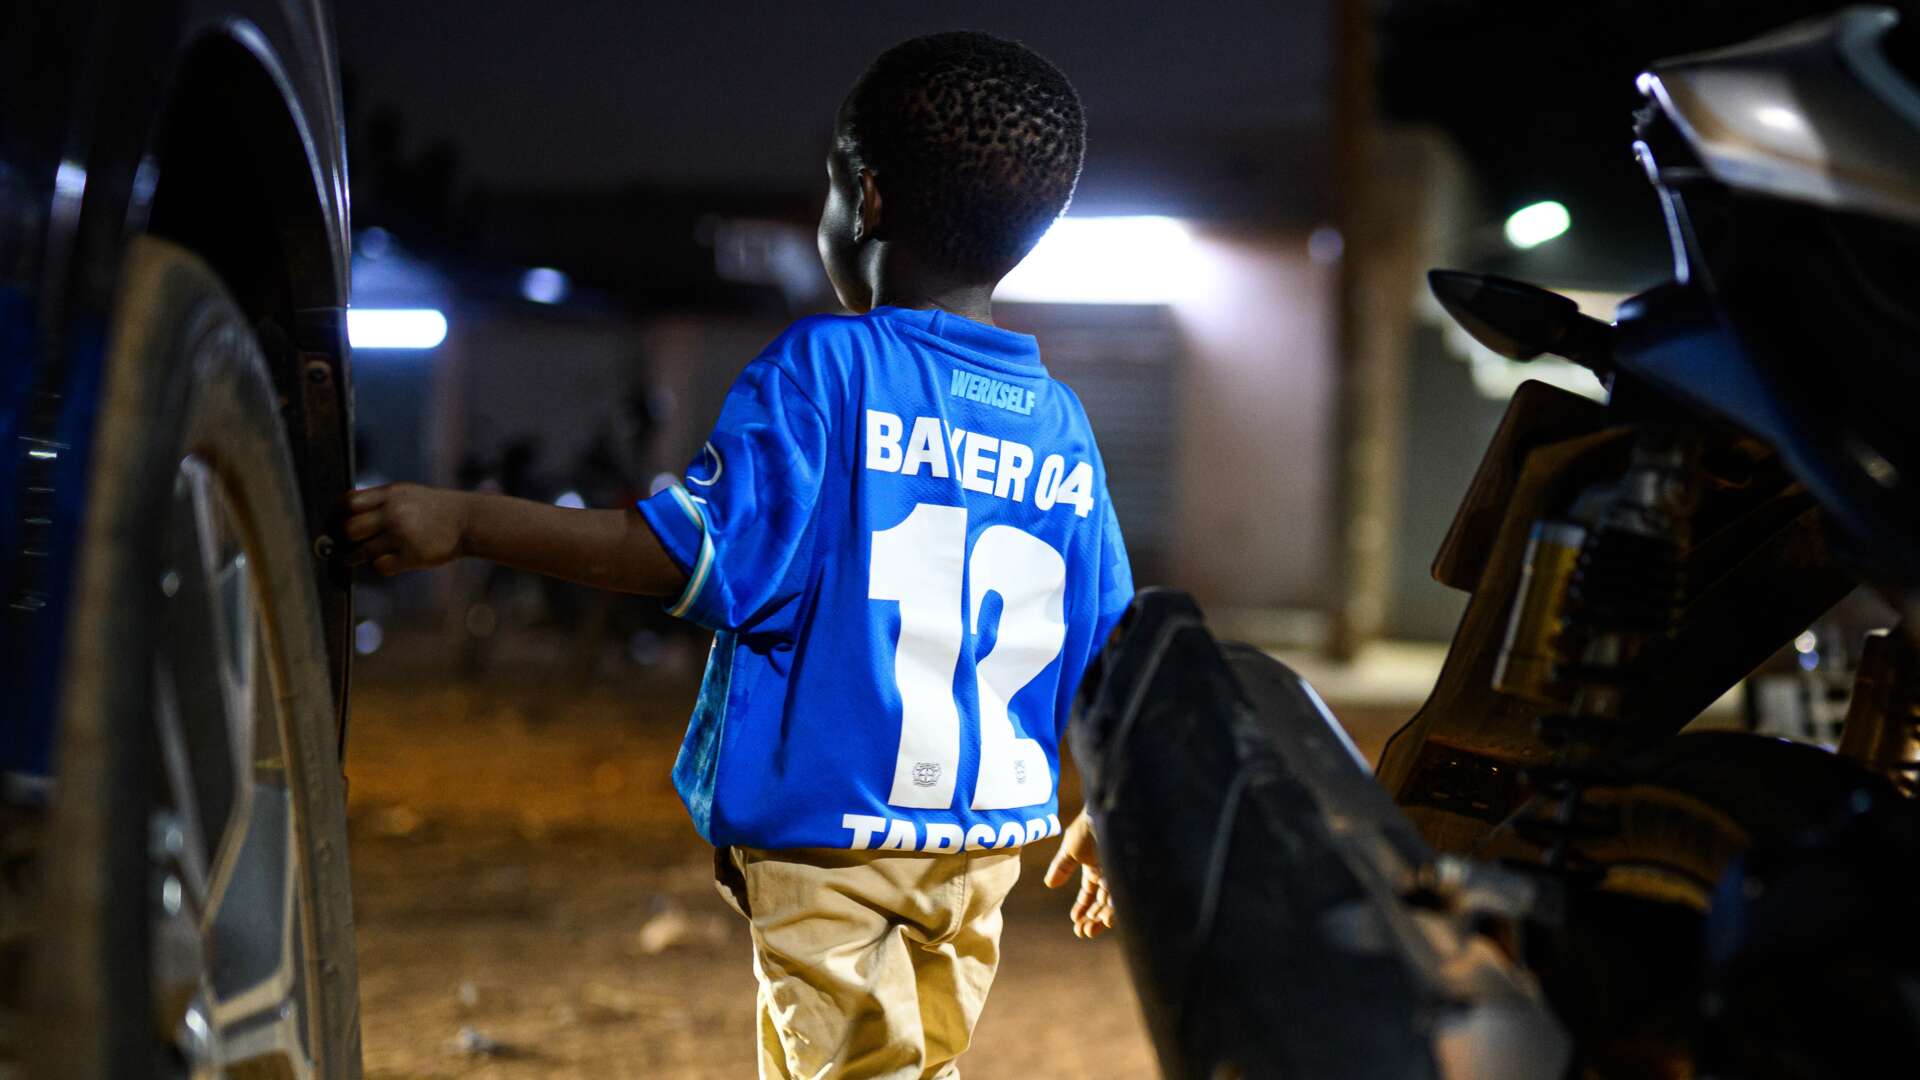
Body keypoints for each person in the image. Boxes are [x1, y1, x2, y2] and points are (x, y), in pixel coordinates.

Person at [341, 30, 1132, 1079]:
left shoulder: (828, 369)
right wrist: (1112, 804)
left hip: (831, 844)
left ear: (869, 199)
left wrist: (467, 521)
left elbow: (682, 557)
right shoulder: (1060, 423)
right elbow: (1117, 646)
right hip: (984, 851)